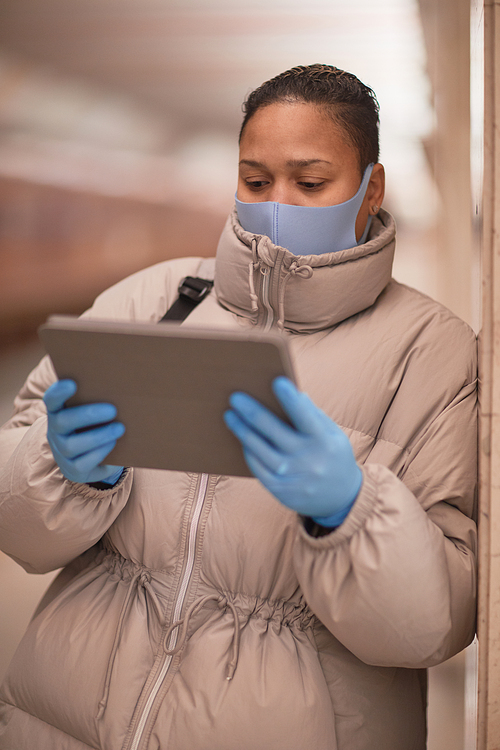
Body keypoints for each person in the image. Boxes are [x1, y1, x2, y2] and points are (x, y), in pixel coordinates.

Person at [0, 64, 477, 750]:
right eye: (255, 181)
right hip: (67, 722)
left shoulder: (435, 355)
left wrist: (351, 511)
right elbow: (15, 526)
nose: (277, 201)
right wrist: (55, 465)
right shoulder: (152, 301)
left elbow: (435, 625)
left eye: (310, 183)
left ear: (371, 188)